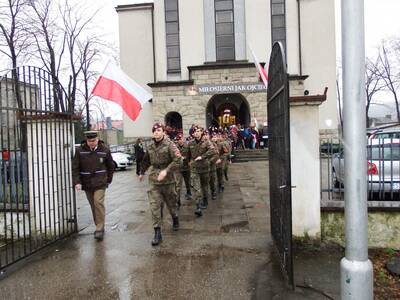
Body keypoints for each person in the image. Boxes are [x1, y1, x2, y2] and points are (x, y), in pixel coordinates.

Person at [139, 123, 182, 246]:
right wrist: (142, 172)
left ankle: (175, 218)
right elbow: (146, 160)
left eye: (159, 130)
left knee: (171, 204)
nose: (156, 132)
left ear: (163, 132)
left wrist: (166, 170)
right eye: (154, 131)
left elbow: (178, 160)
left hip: (168, 180)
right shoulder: (151, 146)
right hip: (154, 180)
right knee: (155, 206)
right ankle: (157, 232)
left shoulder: (170, 145)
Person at [72, 131, 115, 241]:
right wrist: (77, 182)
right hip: (87, 183)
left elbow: (110, 166)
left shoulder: (104, 149)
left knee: (98, 202)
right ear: (87, 140)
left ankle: (99, 228)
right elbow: (75, 168)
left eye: (93, 141)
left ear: (97, 139)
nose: (91, 143)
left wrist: (108, 180)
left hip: (100, 182)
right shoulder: (80, 151)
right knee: (93, 205)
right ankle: (98, 225)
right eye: (89, 141)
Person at [187, 125, 218, 217]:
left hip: (205, 167)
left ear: (201, 132)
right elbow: (188, 154)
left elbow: (212, 150)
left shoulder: (206, 141)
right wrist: (189, 162)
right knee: (196, 187)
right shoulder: (190, 143)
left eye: (198, 131)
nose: (196, 133)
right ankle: (198, 206)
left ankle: (205, 200)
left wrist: (203, 156)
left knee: (204, 186)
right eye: (195, 131)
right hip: (195, 168)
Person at [174, 134, 191, 204]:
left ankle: (189, 192)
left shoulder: (187, 146)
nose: (180, 140)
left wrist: (186, 159)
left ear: (183, 139)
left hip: (186, 167)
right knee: (178, 184)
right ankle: (177, 200)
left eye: (181, 139)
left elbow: (190, 155)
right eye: (178, 139)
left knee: (187, 182)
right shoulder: (174, 147)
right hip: (178, 169)